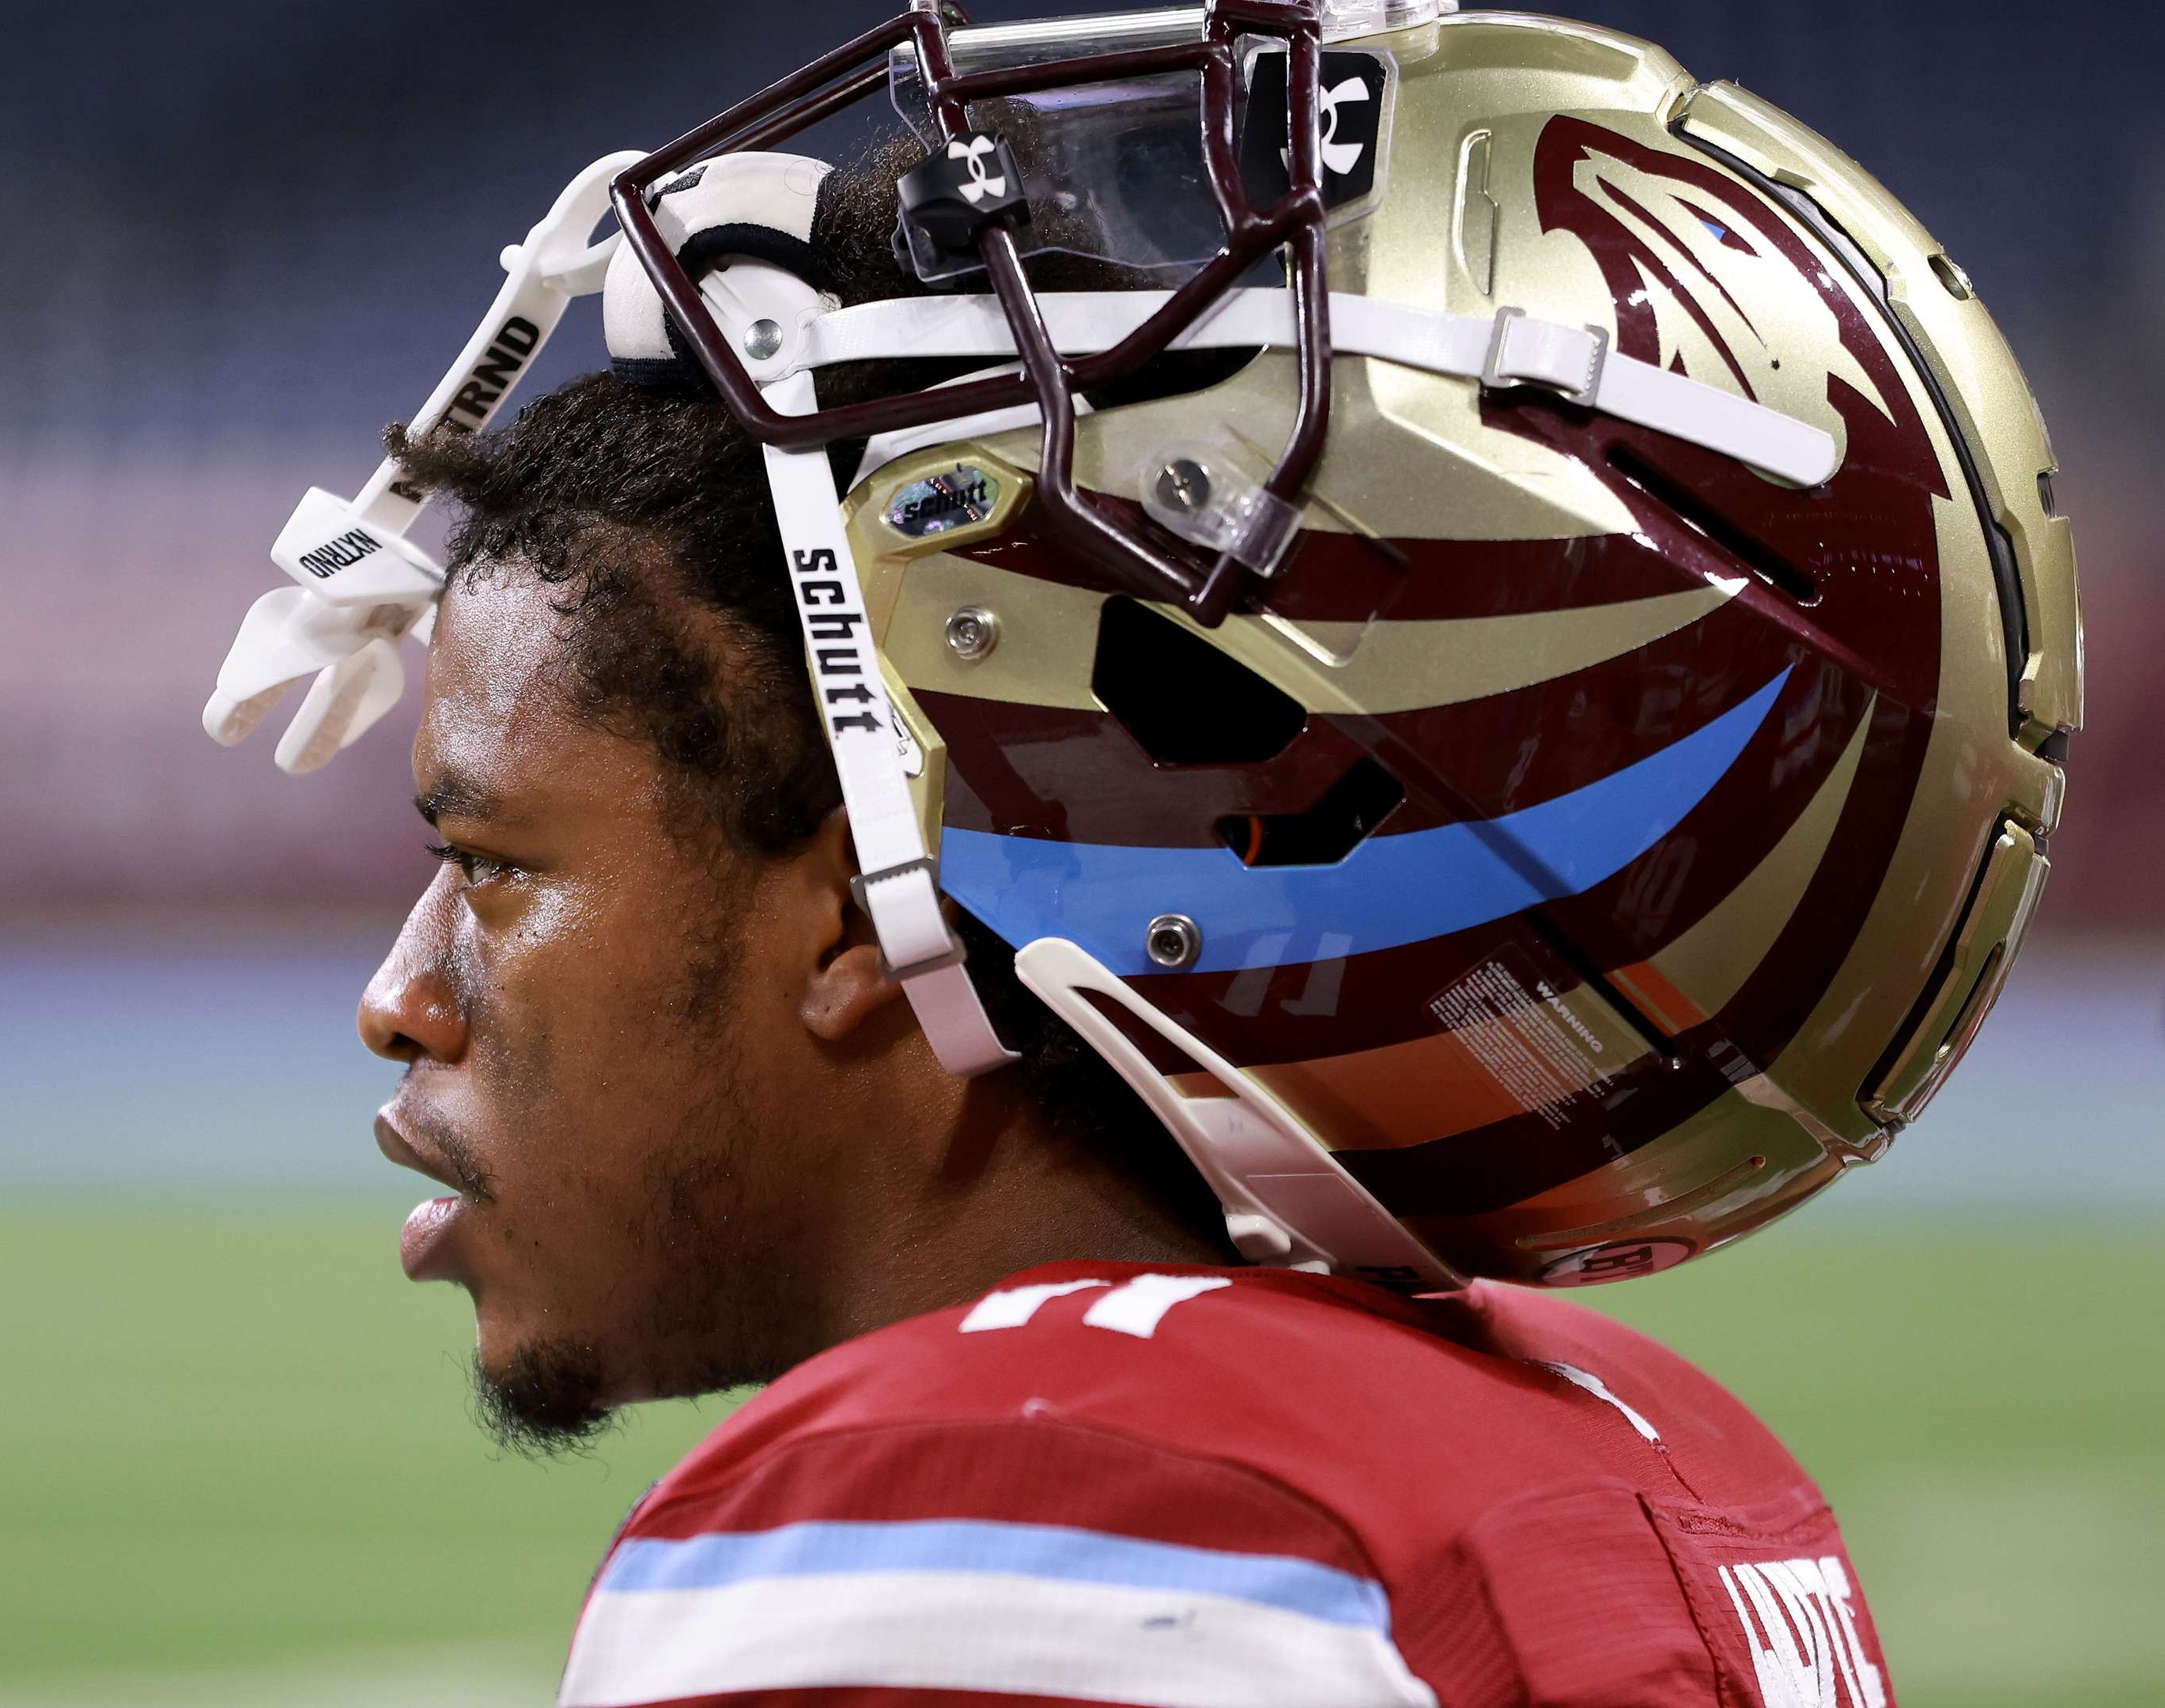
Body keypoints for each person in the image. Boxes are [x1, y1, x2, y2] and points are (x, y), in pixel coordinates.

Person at [208, 4, 2077, 1702]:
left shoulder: (1023, 1514)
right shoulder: (1659, 1455)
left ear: (870, 895)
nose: (400, 998)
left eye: (498, 863)